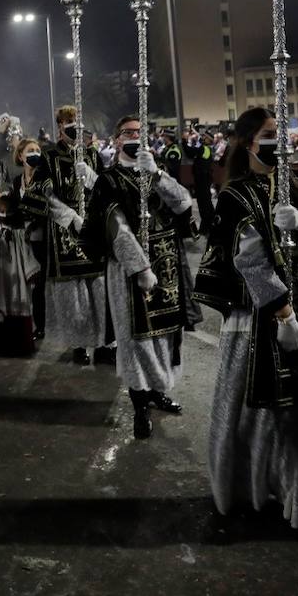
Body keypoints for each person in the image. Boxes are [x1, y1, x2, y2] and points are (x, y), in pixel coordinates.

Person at [193, 107, 298, 550]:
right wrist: (283, 313)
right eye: (270, 134)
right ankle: (256, 493)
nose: (280, 141)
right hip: (261, 318)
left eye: (283, 132)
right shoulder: (236, 196)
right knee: (263, 417)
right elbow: (248, 260)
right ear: (249, 142)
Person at [93, 116, 193, 439]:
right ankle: (139, 407)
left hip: (166, 264)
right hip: (128, 271)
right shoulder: (108, 180)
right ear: (117, 139)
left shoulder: (156, 168)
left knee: (164, 336)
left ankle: (159, 390)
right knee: (135, 340)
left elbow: (183, 204)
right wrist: (139, 267)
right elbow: (116, 227)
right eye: (128, 133)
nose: (135, 137)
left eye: (140, 132)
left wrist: (158, 174)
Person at [41, 106, 110, 366]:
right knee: (75, 293)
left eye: (76, 121)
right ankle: (79, 343)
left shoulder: (92, 154)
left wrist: (92, 178)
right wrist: (71, 217)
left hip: (93, 227)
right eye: (68, 121)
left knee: (100, 287)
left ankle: (105, 343)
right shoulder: (49, 156)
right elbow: (45, 194)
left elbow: (105, 189)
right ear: (59, 125)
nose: (73, 125)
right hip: (64, 230)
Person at [0, 192, 41, 355]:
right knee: (5, 307)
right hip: (7, 281)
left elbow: (27, 257)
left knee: (11, 305)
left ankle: (12, 346)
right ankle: (7, 346)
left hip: (12, 281)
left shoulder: (19, 234)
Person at [13, 137, 51, 338]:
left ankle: (43, 326)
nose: (35, 153)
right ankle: (30, 323)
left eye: (37, 150)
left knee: (41, 284)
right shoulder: (16, 180)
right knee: (29, 283)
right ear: (21, 155)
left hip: (44, 237)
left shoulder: (45, 177)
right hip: (23, 239)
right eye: (30, 150)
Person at [183, 128, 216, 237]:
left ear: (209, 140)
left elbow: (190, 152)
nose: (203, 138)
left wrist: (184, 141)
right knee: (206, 203)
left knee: (204, 204)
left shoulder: (204, 148)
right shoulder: (204, 148)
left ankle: (206, 227)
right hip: (203, 179)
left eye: (205, 137)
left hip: (202, 180)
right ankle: (210, 225)